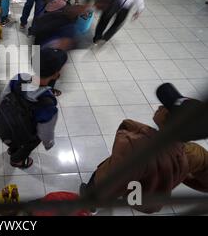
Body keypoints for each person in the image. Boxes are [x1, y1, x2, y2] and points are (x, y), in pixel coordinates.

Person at [81, 83, 208, 214]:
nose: (159, 106)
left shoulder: (134, 146)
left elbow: (108, 181)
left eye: (165, 107)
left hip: (130, 190)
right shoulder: (192, 153)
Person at [0, 48, 68, 169]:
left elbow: (3, 97)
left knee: (14, 141)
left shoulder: (19, 78)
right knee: (26, 147)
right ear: (56, 74)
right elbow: (45, 132)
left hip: (5, 126)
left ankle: (12, 149)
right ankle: (16, 161)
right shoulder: (47, 104)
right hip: (26, 135)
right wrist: (48, 144)